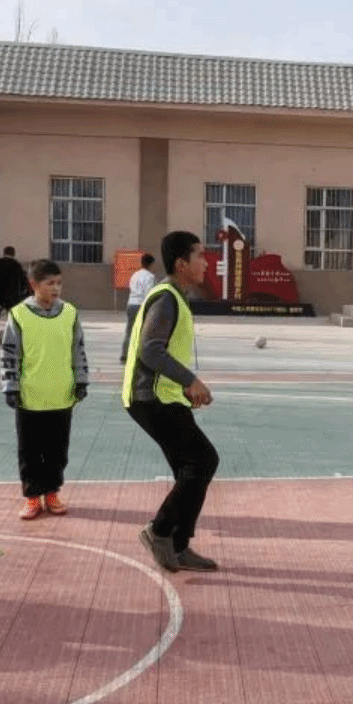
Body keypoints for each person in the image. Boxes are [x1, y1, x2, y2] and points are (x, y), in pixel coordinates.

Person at [123, 231, 219, 573]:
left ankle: (178, 546)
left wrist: (183, 389)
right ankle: (160, 531)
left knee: (191, 468)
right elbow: (150, 350)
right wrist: (190, 380)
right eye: (200, 256)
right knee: (202, 461)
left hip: (163, 395)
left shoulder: (177, 297)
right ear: (181, 263)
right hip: (150, 396)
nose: (206, 262)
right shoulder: (166, 298)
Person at [1, 259, 89, 520]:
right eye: (50, 283)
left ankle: (51, 492)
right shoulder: (19, 314)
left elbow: (78, 350)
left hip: (62, 396)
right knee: (29, 452)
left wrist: (81, 380)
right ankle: (32, 497)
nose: (56, 288)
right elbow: (9, 353)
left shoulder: (70, 313)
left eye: (59, 283)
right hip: (30, 397)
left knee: (57, 451)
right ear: (33, 284)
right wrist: (10, 386)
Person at [120, 253, 157, 363]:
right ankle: (140, 355)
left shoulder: (135, 275)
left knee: (129, 330)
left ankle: (124, 354)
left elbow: (131, 287)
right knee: (143, 331)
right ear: (151, 264)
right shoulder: (150, 277)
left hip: (131, 304)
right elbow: (149, 293)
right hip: (141, 305)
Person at [0, 245, 26, 310]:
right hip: (12, 294)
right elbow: (21, 279)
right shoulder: (16, 264)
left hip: (0, 292)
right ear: (13, 253)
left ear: (4, 252)